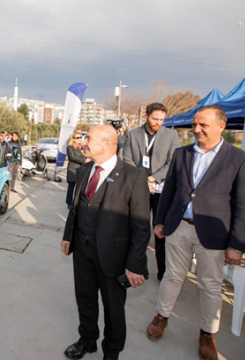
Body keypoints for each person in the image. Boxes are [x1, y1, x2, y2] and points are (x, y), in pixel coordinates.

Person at [146, 105, 245, 360]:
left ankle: (207, 333)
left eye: (203, 125)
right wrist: (160, 221)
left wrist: (237, 244)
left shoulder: (241, 159)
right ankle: (161, 317)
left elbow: (244, 205)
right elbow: (169, 191)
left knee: (210, 286)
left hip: (214, 235)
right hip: (179, 228)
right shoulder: (182, 153)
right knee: (172, 276)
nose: (197, 130)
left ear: (221, 126)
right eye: (195, 125)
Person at [61, 125, 150, 360]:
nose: (83, 142)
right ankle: (87, 340)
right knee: (85, 299)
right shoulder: (84, 169)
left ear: (106, 143)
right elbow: (76, 208)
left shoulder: (134, 176)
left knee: (113, 309)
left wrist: (135, 264)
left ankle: (111, 352)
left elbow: (141, 226)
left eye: (88, 138)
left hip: (113, 257)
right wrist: (68, 236)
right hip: (82, 250)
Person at [122, 103, 180, 281]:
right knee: (135, 228)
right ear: (146, 116)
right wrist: (141, 181)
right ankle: (131, 264)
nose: (158, 122)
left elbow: (173, 162)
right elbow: (127, 160)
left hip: (160, 189)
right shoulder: (132, 134)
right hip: (138, 189)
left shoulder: (171, 135)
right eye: (155, 119)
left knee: (159, 231)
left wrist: (152, 178)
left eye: (162, 119)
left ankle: (162, 272)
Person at [65, 129, 86, 209]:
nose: (79, 139)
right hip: (73, 169)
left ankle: (76, 202)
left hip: (81, 170)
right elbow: (72, 157)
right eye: (77, 138)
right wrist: (84, 160)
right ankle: (69, 202)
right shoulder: (69, 147)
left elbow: (86, 155)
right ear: (73, 139)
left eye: (80, 137)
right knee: (71, 187)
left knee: (79, 188)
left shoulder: (82, 147)